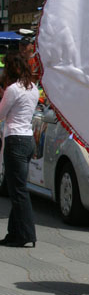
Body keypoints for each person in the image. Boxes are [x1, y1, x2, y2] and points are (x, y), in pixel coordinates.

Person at [0, 52, 39, 247]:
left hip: (14, 139)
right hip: (27, 138)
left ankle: (26, 234)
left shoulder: (13, 89)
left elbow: (1, 113)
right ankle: (14, 234)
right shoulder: (33, 88)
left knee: (18, 190)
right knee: (17, 187)